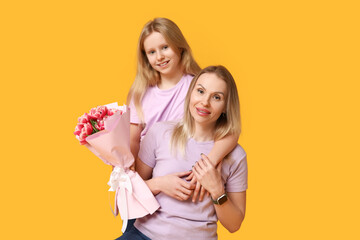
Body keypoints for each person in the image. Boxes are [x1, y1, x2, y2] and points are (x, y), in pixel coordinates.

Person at [124, 17, 239, 233]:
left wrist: (208, 163)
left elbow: (232, 130)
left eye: (165, 47)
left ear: (179, 46)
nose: (159, 56)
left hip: (184, 176)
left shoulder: (198, 87)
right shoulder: (140, 93)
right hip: (149, 175)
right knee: (136, 229)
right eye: (151, 52)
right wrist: (126, 172)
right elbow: (133, 139)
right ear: (145, 57)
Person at [119, 66, 247, 240]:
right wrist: (159, 184)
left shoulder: (235, 155)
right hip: (143, 235)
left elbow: (234, 225)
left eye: (216, 97)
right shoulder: (160, 133)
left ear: (226, 106)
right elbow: (129, 195)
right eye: (200, 91)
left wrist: (217, 191)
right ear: (190, 94)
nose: (205, 102)